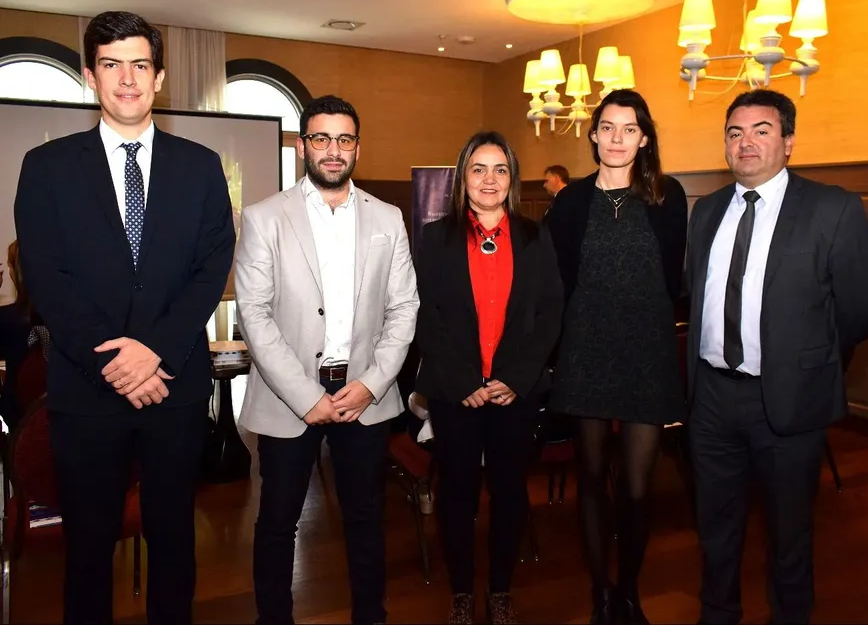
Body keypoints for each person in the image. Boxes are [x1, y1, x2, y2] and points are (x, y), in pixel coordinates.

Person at [14, 11, 236, 624]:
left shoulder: (200, 165)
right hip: (87, 389)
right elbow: (47, 278)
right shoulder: (47, 166)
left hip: (174, 386)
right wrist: (116, 362)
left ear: (159, 77)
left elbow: (211, 267)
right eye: (112, 65)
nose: (128, 79)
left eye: (140, 65)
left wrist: (154, 351)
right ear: (91, 76)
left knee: (175, 540)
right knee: (87, 548)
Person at [685, 89, 868, 624]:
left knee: (789, 534)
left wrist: (810, 364)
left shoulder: (832, 208)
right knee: (715, 529)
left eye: (761, 130)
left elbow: (860, 306)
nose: (745, 143)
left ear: (789, 141)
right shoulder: (707, 211)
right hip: (711, 399)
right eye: (735, 133)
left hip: (790, 401)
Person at [234, 95, 419, 625]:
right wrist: (306, 396)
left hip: (365, 394)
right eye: (321, 138)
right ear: (302, 147)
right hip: (289, 397)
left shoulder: (388, 218)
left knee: (366, 517)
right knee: (278, 522)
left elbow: (404, 308)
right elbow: (254, 315)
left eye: (344, 139)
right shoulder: (265, 218)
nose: (333, 150)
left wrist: (373, 383)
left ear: (358, 147)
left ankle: (371, 616)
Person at [546, 89, 688, 625]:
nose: (617, 138)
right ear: (593, 134)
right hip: (585, 350)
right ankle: (601, 594)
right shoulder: (571, 201)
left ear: (644, 138)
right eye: (607, 127)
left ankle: (629, 591)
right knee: (590, 479)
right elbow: (558, 282)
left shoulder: (667, 196)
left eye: (629, 129)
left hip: (647, 353)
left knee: (636, 486)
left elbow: (671, 277)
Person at [415, 131, 563, 625]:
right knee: (457, 495)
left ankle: (500, 589)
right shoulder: (436, 238)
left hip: (513, 395)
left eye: (500, 169)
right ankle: (462, 591)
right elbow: (425, 315)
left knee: (510, 492)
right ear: (463, 177)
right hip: (455, 393)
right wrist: (463, 382)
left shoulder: (535, 236)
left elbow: (550, 312)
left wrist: (516, 378)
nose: (489, 179)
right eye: (478, 169)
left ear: (512, 179)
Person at [0, 240, 49, 429]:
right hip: (72, 416)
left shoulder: (6, 320)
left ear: (17, 273)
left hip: (19, 418)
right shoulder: (77, 318)